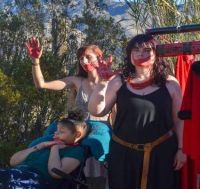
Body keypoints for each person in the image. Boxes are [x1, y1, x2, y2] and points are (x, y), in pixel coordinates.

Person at [88, 33, 186, 189]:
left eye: (147, 49)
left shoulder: (170, 83)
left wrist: (181, 149)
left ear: (156, 54)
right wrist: (102, 83)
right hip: (123, 154)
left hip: (161, 153)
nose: (141, 53)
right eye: (136, 49)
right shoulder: (118, 81)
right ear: (129, 54)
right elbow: (97, 110)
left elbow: (179, 119)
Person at [25, 37, 113, 122]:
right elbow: (41, 84)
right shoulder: (77, 81)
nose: (84, 61)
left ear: (99, 57)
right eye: (81, 59)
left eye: (88, 57)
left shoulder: (111, 82)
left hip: (100, 131)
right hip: (78, 129)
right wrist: (35, 61)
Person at [2, 112, 89, 188]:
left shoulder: (75, 150)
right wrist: (40, 146)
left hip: (36, 179)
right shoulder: (44, 143)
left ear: (77, 135)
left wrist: (54, 147)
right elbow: (13, 162)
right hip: (17, 172)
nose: (56, 133)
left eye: (62, 132)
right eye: (57, 130)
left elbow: (55, 173)